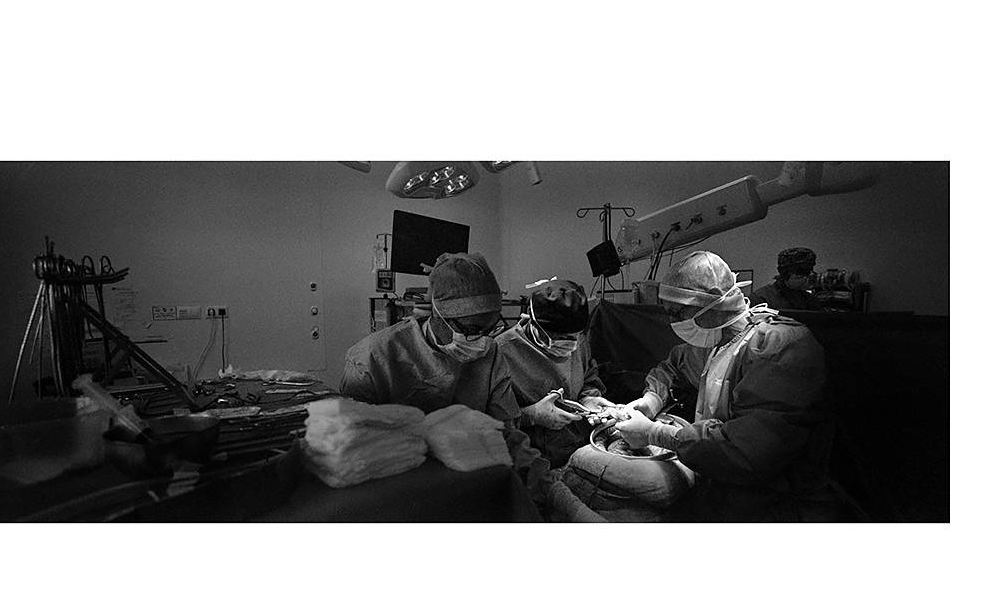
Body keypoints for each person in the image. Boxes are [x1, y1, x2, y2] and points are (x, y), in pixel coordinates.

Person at [612, 250, 841, 521]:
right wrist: (652, 399)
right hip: (722, 489)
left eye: (678, 312)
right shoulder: (716, 342)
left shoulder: (781, 347)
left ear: (713, 301)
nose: (673, 322)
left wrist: (655, 434)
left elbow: (747, 451)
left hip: (777, 504)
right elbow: (673, 367)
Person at [341, 251, 553, 506]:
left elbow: (506, 434)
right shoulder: (372, 358)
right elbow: (355, 449)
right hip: (398, 491)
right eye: (472, 330)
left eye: (491, 329)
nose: (482, 340)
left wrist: (550, 490)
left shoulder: (489, 354)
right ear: (438, 313)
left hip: (470, 484)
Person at [495, 278, 616, 468]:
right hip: (531, 461)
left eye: (575, 337)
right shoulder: (502, 353)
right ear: (533, 323)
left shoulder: (577, 339)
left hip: (579, 447)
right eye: (561, 338)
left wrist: (588, 398)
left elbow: (589, 376)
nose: (571, 345)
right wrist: (531, 415)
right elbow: (488, 420)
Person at [752, 247, 823, 310]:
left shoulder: (809, 299)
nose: (805, 280)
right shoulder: (761, 298)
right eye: (799, 276)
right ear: (786, 274)